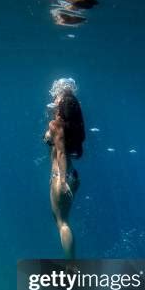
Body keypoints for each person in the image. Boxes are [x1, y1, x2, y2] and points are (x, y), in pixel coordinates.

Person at [44, 78, 85, 258]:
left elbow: (60, 152)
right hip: (72, 175)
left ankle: (72, 267)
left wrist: (61, 181)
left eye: (57, 99)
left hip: (60, 176)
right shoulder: (72, 124)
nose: (54, 100)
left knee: (62, 223)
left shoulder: (56, 125)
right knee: (65, 221)